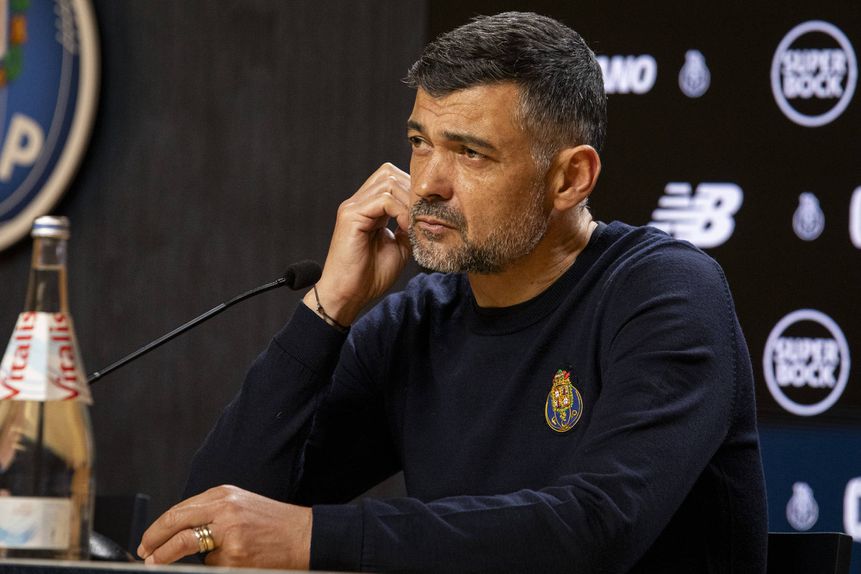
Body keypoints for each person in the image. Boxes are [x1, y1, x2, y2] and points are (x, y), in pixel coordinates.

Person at [137, 11, 768, 572]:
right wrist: (328, 309)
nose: (427, 185)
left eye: (470, 153)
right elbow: (209, 524)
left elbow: (598, 527)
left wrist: (314, 538)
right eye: (420, 143)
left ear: (570, 178)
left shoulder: (665, 292)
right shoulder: (415, 323)